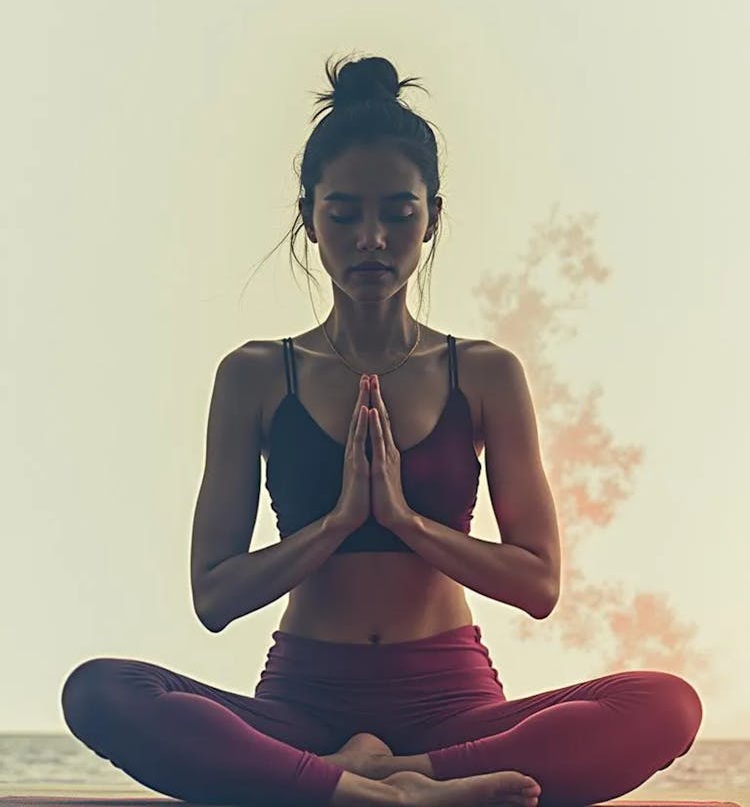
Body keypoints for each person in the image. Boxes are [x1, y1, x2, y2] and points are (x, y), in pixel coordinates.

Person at [60, 55, 702, 807]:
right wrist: (337, 523)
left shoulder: (484, 373)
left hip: (452, 706)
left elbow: (538, 584)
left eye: (398, 214)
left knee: (667, 703)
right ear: (310, 218)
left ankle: (373, 781)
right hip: (302, 705)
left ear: (432, 218)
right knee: (100, 691)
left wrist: (404, 520)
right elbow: (215, 595)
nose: (371, 237)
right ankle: (379, 785)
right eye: (344, 215)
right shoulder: (256, 375)